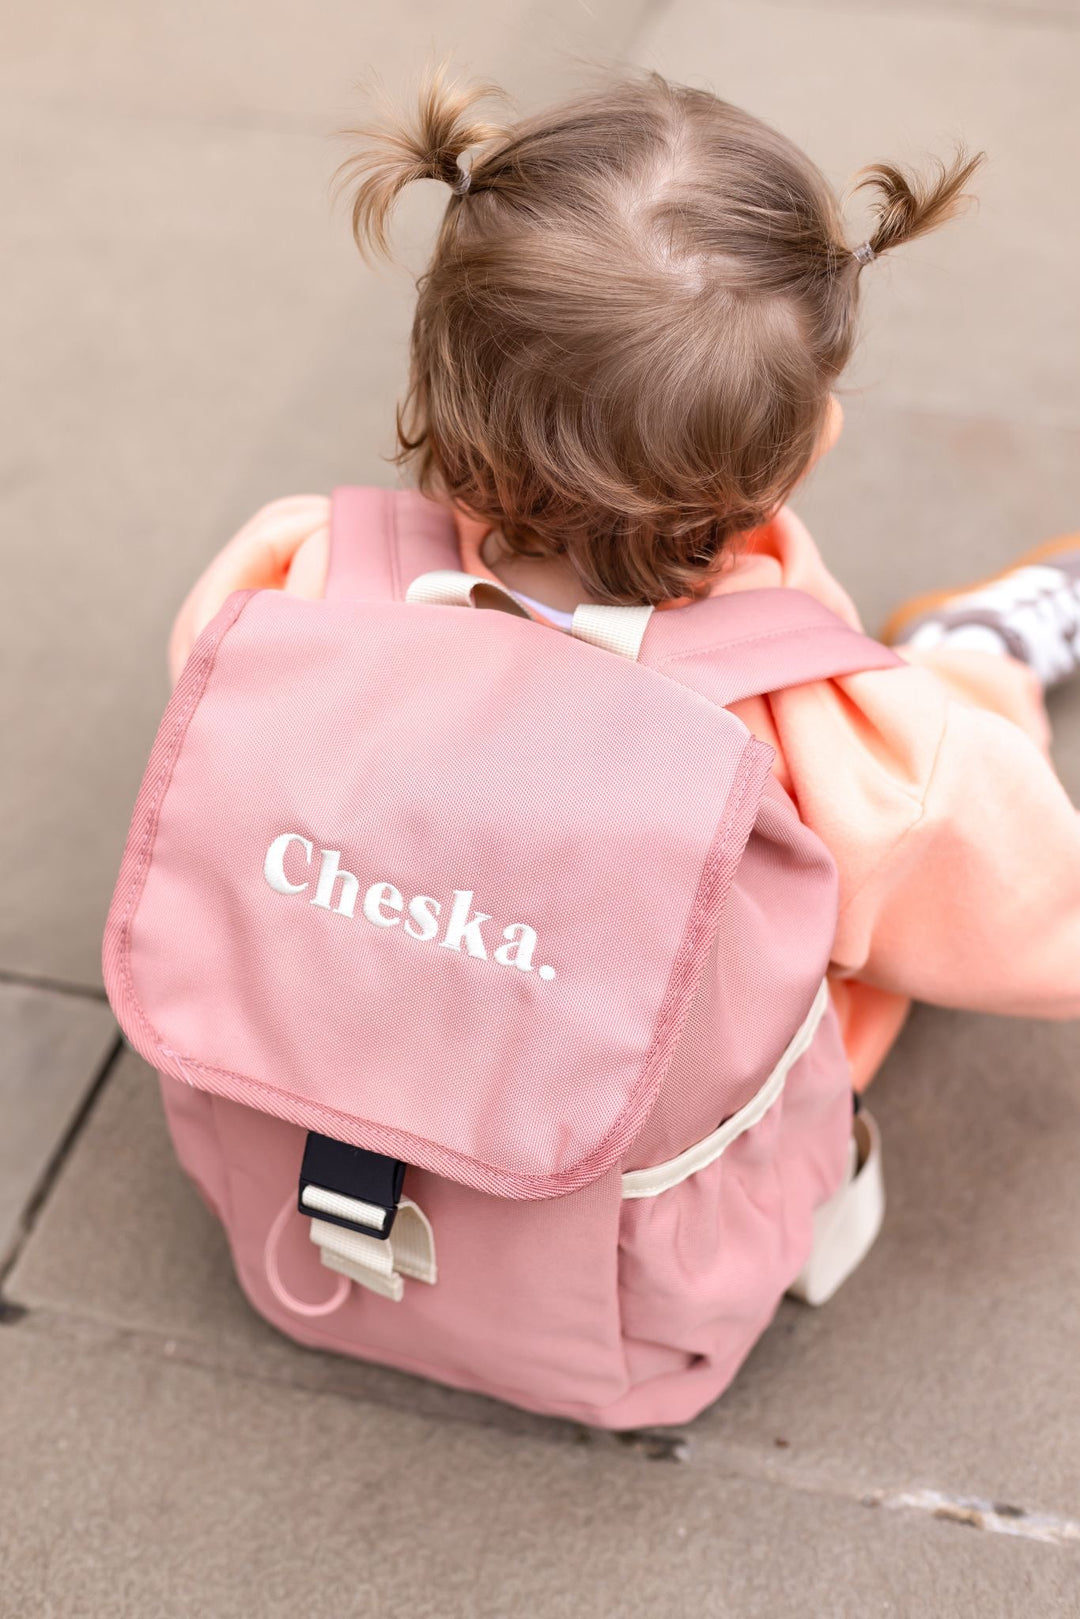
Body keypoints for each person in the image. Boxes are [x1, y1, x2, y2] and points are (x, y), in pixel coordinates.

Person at [169, 70, 1080, 1090]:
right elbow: (1035, 923)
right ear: (793, 460)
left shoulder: (297, 573)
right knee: (900, 830)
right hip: (628, 1193)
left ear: (436, 383)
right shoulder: (823, 734)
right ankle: (981, 647)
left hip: (342, 1108)